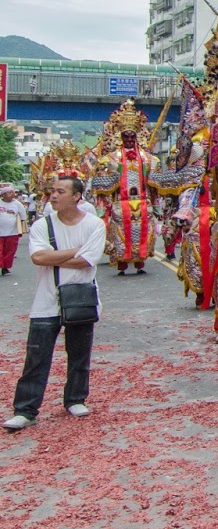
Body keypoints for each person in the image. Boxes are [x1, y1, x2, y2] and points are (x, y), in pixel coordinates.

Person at [4, 175, 106, 430]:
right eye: (52, 191)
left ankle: (75, 398)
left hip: (80, 297)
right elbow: (38, 257)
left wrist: (56, 257)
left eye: (61, 191)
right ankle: (25, 409)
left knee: (79, 353)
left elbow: (88, 260)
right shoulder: (42, 225)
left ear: (76, 196)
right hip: (46, 299)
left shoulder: (94, 224)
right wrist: (76, 250)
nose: (54, 195)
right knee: (37, 356)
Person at [89, 102, 159, 274]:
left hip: (143, 202)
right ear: (120, 137)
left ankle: (139, 263)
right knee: (121, 235)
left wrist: (156, 205)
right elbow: (100, 184)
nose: (129, 140)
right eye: (125, 136)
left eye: (131, 136)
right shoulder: (111, 158)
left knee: (142, 234)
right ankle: (122, 264)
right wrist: (104, 206)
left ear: (136, 137)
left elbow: (154, 184)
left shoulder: (148, 158)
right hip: (121, 203)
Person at [0, 182, 27, 275]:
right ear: (3, 195)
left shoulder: (18, 204)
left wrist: (22, 229)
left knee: (9, 252)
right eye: (10, 192)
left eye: (13, 192)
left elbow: (23, 217)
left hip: (12, 233)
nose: (12, 194)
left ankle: (5, 267)